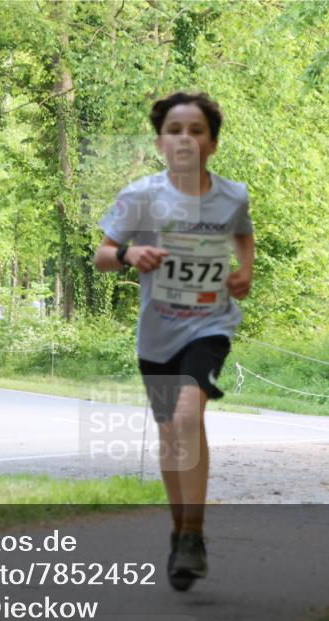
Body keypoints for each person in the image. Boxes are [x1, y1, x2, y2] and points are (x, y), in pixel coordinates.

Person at [92, 91, 254, 591]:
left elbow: (243, 235)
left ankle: (195, 534)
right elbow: (100, 254)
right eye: (175, 130)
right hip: (157, 333)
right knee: (169, 435)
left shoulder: (232, 196)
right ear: (161, 141)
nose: (186, 138)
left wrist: (245, 270)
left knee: (189, 415)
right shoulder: (140, 196)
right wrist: (129, 252)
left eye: (196, 130)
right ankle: (179, 530)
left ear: (213, 143)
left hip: (210, 325)